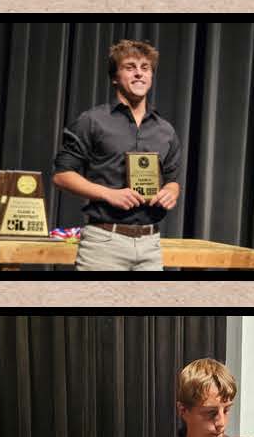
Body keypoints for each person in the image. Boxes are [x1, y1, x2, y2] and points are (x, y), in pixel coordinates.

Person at [52, 37, 183, 273]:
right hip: (104, 242)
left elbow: (172, 180)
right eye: (130, 67)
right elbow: (62, 176)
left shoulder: (166, 130)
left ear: (151, 76)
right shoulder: (92, 121)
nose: (139, 73)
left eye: (145, 68)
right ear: (115, 77)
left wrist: (170, 193)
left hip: (151, 244)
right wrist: (109, 194)